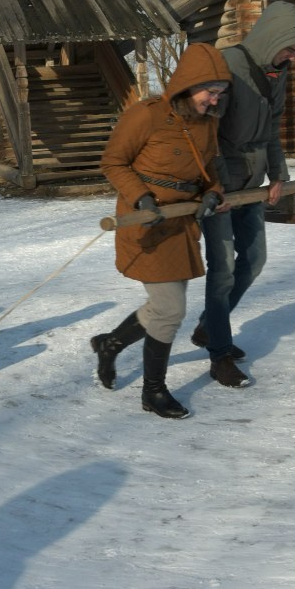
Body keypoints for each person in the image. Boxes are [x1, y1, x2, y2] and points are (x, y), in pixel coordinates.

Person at [91, 43, 230, 419]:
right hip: (147, 225)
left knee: (161, 308)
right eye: (210, 92)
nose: (214, 101)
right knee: (170, 309)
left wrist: (213, 195)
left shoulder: (207, 123)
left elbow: (211, 169)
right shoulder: (146, 115)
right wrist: (141, 199)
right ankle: (153, 391)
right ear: (189, 85)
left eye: (219, 94)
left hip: (182, 225)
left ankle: (109, 344)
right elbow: (113, 162)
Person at [193, 1, 295, 387]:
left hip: (254, 183)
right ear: (273, 36)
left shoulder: (278, 72)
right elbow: (206, 133)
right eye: (290, 47)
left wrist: (278, 172)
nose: (293, 56)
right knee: (223, 269)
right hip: (222, 187)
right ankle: (220, 354)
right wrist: (217, 185)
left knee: (255, 260)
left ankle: (209, 328)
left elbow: (273, 126)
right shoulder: (228, 65)